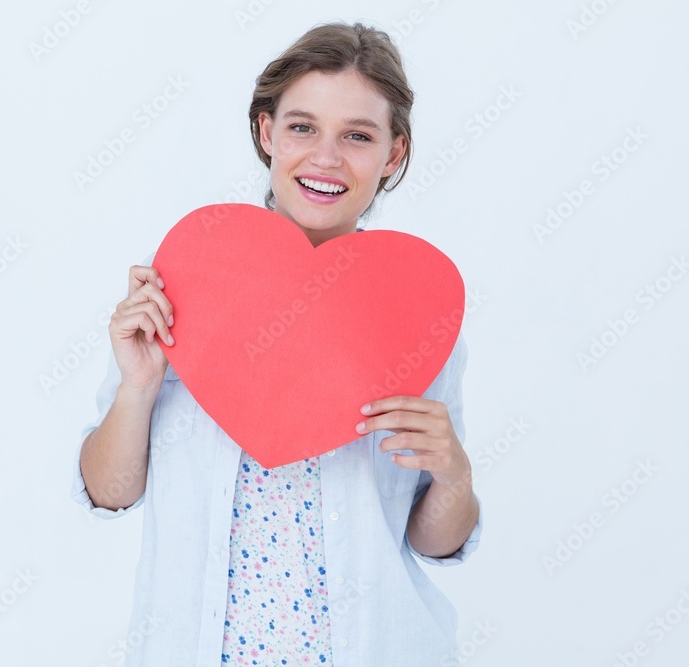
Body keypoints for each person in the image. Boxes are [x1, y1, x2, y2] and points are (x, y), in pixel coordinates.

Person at [71, 21, 482, 666]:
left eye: (358, 135)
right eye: (302, 126)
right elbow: (109, 493)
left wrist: (453, 474)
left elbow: (432, 542)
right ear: (266, 131)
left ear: (394, 154)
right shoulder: (187, 281)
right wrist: (138, 386)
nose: (325, 157)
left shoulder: (416, 309)